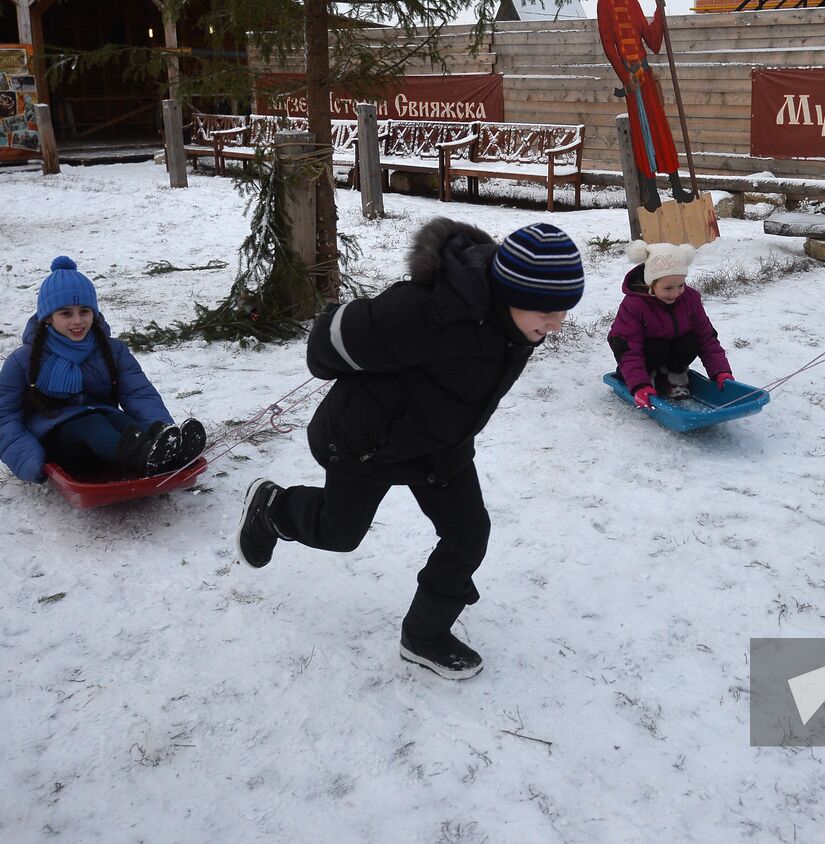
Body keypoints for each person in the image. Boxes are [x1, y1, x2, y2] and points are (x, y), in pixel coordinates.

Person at [236, 220, 587, 681]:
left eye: (563, 311)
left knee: (467, 535)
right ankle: (274, 508)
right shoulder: (430, 311)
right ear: (506, 291)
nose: (556, 324)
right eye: (545, 311)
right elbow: (329, 341)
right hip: (366, 442)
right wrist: (342, 361)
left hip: (442, 445)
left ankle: (424, 635)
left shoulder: (519, 323)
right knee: (339, 533)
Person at [0, 256, 205, 484]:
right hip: (60, 444)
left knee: (124, 423)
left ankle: (167, 452)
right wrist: (29, 459)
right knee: (92, 424)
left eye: (85, 311)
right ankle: (145, 457)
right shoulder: (23, 360)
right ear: (48, 317)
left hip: (110, 435)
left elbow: (139, 394)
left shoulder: (112, 350)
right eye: (66, 313)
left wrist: (162, 426)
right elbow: (4, 415)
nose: (78, 321)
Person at [607, 239, 733, 407]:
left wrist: (721, 371)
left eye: (680, 285)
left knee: (691, 340)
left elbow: (706, 338)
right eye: (668, 288)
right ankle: (647, 378)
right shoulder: (634, 304)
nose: (676, 293)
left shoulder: (690, 298)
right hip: (644, 358)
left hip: (672, 356)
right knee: (657, 347)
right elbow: (627, 347)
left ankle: (672, 377)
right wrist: (639, 384)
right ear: (651, 284)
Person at [597, 0, 693, 212]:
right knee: (642, 134)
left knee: (661, 131)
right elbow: (608, 45)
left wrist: (659, 11)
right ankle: (652, 194)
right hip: (633, 80)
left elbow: (653, 41)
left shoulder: (633, 2)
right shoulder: (604, 3)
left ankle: (676, 188)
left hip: (646, 77)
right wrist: (625, 78)